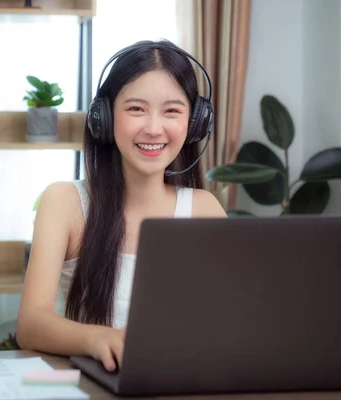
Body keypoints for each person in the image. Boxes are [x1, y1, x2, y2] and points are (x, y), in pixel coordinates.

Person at [16, 39, 227, 373]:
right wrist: (101, 339)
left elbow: (228, 321)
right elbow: (30, 326)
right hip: (89, 385)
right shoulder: (65, 202)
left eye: (172, 110)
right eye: (136, 108)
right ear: (104, 117)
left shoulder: (205, 210)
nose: (154, 128)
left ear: (195, 123)